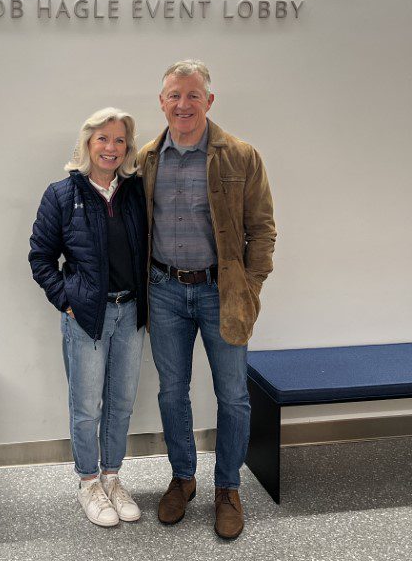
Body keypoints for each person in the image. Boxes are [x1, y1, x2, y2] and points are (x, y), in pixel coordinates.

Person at [137, 60, 276, 539]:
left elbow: (262, 231)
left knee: (233, 396)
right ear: (162, 102)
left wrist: (248, 286)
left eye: (193, 95)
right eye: (175, 95)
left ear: (209, 101)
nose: (183, 104)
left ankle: (228, 488)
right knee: (172, 392)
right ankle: (183, 478)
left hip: (222, 293)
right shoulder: (146, 160)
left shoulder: (241, 156)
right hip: (165, 292)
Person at [29, 107, 149, 527]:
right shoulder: (61, 194)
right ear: (87, 144)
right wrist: (68, 301)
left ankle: (113, 478)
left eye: (119, 140)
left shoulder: (135, 192)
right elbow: (41, 258)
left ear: (127, 147)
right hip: (86, 318)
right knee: (86, 406)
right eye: (102, 139)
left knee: (121, 402)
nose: (111, 148)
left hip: (130, 312)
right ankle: (88, 483)